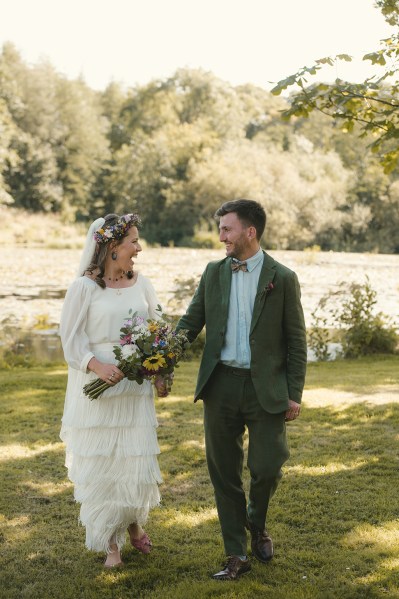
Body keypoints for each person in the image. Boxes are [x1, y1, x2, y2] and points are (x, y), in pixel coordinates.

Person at [177, 199, 307, 581]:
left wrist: (294, 393)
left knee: (267, 467)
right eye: (220, 229)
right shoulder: (213, 272)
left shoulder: (281, 278)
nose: (221, 237)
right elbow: (191, 321)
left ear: (250, 232)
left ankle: (257, 522)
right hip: (220, 386)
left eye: (227, 229)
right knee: (224, 473)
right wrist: (161, 355)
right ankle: (236, 553)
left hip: (265, 388)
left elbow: (297, 342)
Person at [59, 213, 168, 568]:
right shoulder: (85, 288)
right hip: (99, 387)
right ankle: (111, 544)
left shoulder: (142, 284)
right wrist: (96, 365)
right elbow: (71, 339)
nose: (139, 248)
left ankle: (134, 525)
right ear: (111, 247)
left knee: (132, 461)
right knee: (104, 464)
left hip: (134, 387)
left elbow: (156, 330)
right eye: (133, 241)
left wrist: (160, 369)